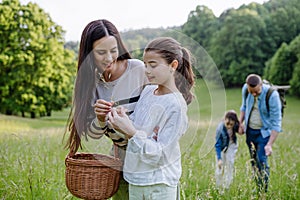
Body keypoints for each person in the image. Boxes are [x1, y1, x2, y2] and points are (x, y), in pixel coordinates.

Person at [64, 19, 148, 200]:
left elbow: (159, 112)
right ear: (89, 54)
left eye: (113, 50)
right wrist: (100, 119)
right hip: (121, 160)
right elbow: (93, 134)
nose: (109, 58)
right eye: (101, 52)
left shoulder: (138, 70)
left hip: (148, 157)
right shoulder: (91, 84)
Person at [104, 37, 195, 200]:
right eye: (145, 65)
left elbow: (161, 155)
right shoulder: (147, 92)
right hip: (136, 179)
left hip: (158, 184)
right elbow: (141, 130)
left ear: (173, 66)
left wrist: (130, 131)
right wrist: (121, 121)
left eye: (153, 65)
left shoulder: (175, 105)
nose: (147, 70)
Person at [238, 74, 282, 193]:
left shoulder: (272, 95)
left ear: (261, 85)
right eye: (251, 91)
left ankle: (263, 191)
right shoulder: (245, 89)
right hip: (250, 132)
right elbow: (244, 107)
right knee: (254, 162)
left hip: (264, 134)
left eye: (256, 91)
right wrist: (240, 123)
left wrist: (269, 144)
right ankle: (257, 186)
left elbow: (276, 122)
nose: (253, 94)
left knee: (262, 162)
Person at [214, 110, 239, 191]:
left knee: (230, 164)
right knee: (220, 167)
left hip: (231, 146)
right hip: (222, 148)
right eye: (227, 124)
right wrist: (219, 159)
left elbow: (241, 129)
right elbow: (217, 145)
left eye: (231, 124)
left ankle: (227, 186)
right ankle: (218, 187)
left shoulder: (235, 125)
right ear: (224, 120)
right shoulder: (220, 129)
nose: (229, 126)